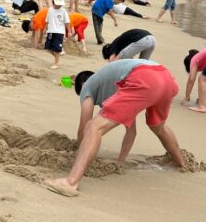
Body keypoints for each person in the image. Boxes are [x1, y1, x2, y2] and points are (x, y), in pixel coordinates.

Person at [45, 60, 184, 197]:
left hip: (143, 77)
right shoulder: (114, 84)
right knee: (158, 127)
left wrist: (79, 150)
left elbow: (85, 127)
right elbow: (132, 131)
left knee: (95, 127)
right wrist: (120, 161)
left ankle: (70, 182)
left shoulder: (87, 88)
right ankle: (180, 163)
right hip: (166, 78)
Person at [45, 0, 70, 69]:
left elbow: (67, 22)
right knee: (48, 47)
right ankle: (57, 55)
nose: (59, 6)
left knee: (56, 49)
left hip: (59, 32)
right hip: (50, 31)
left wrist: (69, 32)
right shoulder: (50, 10)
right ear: (54, 2)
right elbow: (47, 20)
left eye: (60, 4)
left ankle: (56, 63)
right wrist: (46, 28)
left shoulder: (63, 11)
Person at [181, 49, 206, 113]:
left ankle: (202, 106)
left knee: (202, 79)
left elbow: (191, 80)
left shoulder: (193, 60)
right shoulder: (201, 57)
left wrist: (186, 97)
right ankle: (202, 101)